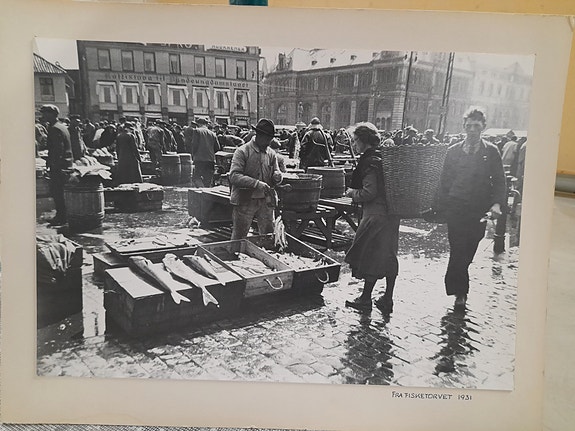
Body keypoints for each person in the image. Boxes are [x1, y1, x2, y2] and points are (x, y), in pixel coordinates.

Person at [433, 107, 507, 309]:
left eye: (477, 126)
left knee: (470, 248)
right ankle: (460, 293)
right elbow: (444, 180)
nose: (472, 130)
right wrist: (441, 205)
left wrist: (497, 203)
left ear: (483, 127)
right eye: (469, 126)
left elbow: (499, 180)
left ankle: (456, 283)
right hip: (456, 207)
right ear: (464, 127)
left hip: (478, 210)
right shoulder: (453, 151)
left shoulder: (491, 151)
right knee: (458, 249)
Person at [344, 122, 400, 314]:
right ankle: (388, 298)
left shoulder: (370, 162)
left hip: (375, 216)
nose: (354, 144)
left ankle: (365, 299)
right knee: (389, 255)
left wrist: (352, 193)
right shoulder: (384, 156)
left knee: (370, 256)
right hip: (392, 214)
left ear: (364, 141)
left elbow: (369, 192)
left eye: (355, 141)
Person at [228, 118, 283, 240]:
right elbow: (234, 176)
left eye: (270, 139)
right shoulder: (242, 151)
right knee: (239, 237)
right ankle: (236, 251)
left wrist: (278, 176)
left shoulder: (271, 154)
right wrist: (256, 183)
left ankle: (266, 252)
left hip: (266, 201)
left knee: (269, 236)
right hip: (245, 200)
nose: (269, 142)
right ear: (258, 135)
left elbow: (277, 171)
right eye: (267, 138)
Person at [40, 104, 73, 225]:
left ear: (52, 114)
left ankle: (61, 217)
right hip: (66, 164)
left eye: (45, 113)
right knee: (60, 192)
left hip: (59, 166)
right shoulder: (62, 127)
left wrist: (52, 166)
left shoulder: (54, 129)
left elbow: (57, 150)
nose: (43, 116)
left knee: (57, 192)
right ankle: (62, 216)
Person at [190, 118, 220, 187]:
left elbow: (194, 145)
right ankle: (206, 191)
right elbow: (217, 147)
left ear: (198, 124)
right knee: (207, 180)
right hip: (211, 160)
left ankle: (202, 190)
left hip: (200, 159)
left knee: (196, 177)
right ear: (206, 124)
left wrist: (193, 155)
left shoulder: (196, 131)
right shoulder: (213, 133)